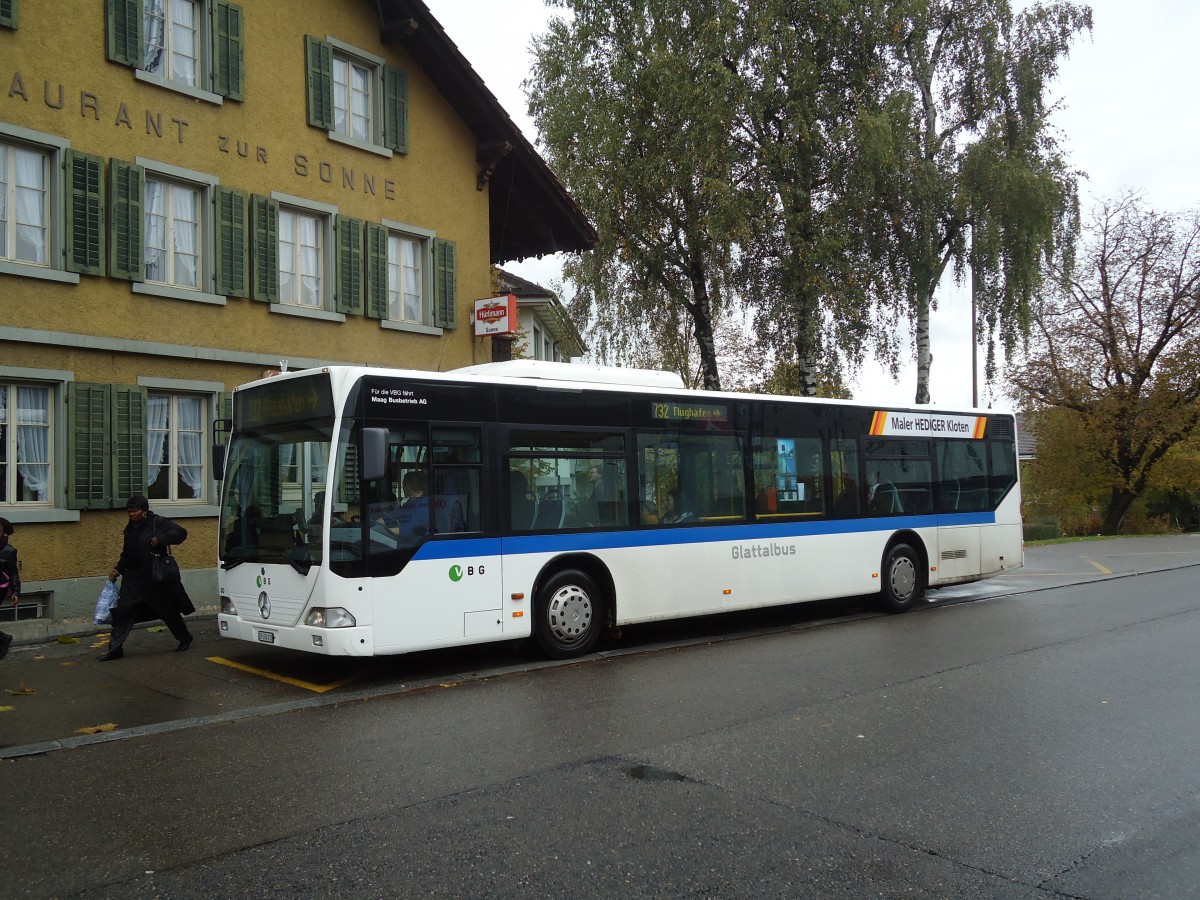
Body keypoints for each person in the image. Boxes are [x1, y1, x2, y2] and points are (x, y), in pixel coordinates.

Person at [100, 495, 194, 661]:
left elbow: (181, 533)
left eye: (135, 511)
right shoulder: (130, 528)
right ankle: (115, 649)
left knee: (167, 611)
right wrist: (118, 569)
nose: (131, 514)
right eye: (129, 512)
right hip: (132, 579)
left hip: (154, 580)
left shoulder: (158, 523)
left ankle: (184, 637)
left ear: (144, 511)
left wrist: (160, 539)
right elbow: (127, 553)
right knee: (123, 612)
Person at [0, 518, 19, 660]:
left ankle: (4, 639)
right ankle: (4, 638)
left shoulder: (9, 551)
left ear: (3, 532)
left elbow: (13, 573)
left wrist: (16, 591)